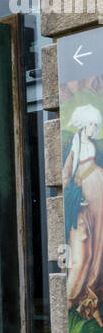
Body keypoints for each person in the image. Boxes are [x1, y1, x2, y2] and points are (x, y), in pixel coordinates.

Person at [62, 104, 103, 320]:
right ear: (83, 123)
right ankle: (76, 297)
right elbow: (66, 174)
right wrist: (74, 197)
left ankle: (91, 293)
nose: (93, 128)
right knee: (83, 249)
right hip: (85, 196)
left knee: (99, 243)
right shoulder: (74, 144)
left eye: (96, 124)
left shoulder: (95, 145)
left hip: (99, 192)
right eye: (90, 123)